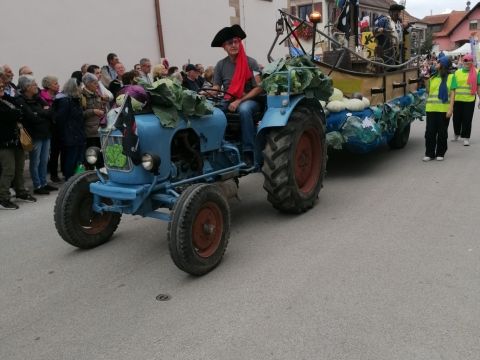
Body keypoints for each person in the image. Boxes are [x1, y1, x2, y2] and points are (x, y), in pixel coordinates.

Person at [211, 24, 263, 165]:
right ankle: (218, 145)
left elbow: (258, 88)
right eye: (230, 43)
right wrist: (207, 93)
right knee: (212, 112)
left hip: (249, 99)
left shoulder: (251, 62)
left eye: (236, 41)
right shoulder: (220, 65)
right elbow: (216, 87)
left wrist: (239, 101)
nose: (234, 45)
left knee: (244, 110)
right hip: (229, 98)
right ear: (224, 47)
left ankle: (248, 152)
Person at [0, 71, 36, 209]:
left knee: (19, 168)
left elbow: (20, 109)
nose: (2, 88)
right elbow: (9, 115)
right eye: (0, 87)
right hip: (4, 142)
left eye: (2, 86)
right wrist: (16, 114)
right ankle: (3, 197)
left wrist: (16, 113)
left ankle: (21, 191)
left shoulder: (6, 99)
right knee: (8, 170)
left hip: (17, 140)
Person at [16, 75, 57, 194]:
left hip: (45, 132)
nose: (36, 86)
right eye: (34, 84)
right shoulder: (20, 100)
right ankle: (37, 185)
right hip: (34, 134)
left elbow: (50, 111)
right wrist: (42, 112)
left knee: (44, 160)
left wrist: (40, 113)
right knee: (36, 161)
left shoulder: (37, 97)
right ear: (27, 87)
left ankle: (44, 182)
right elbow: (30, 117)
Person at [423, 56, 457, 162]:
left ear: (443, 64)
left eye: (438, 62)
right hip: (431, 108)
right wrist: (426, 80)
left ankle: (440, 153)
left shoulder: (451, 77)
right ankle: (429, 153)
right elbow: (429, 91)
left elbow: (452, 94)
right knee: (430, 132)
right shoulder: (433, 77)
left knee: (442, 132)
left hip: (443, 110)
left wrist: (450, 109)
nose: (436, 63)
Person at [53, 78, 85, 180]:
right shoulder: (65, 101)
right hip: (70, 133)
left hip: (78, 132)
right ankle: (70, 177)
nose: (81, 89)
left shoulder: (75, 99)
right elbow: (60, 119)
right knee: (72, 157)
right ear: (74, 88)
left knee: (80, 156)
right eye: (80, 87)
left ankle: (78, 176)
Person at [451, 53, 480, 146]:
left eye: (469, 60)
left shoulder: (477, 72)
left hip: (469, 100)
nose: (467, 62)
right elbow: (453, 88)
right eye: (465, 60)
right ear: (463, 61)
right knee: (456, 119)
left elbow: (478, 87)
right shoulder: (457, 72)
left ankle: (466, 137)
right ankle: (456, 134)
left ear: (472, 61)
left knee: (467, 119)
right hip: (457, 100)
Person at [39, 76, 61, 182]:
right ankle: (51, 174)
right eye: (55, 83)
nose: (58, 85)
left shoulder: (59, 96)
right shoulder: (42, 97)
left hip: (59, 126)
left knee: (57, 150)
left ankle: (56, 173)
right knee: (51, 152)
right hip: (48, 127)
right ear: (48, 85)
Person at [81, 73, 105, 169]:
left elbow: (101, 107)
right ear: (88, 84)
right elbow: (80, 114)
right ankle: (90, 175)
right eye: (95, 83)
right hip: (89, 131)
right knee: (91, 155)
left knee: (100, 155)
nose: (97, 85)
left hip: (99, 129)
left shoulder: (97, 93)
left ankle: (101, 173)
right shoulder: (82, 96)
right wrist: (93, 111)